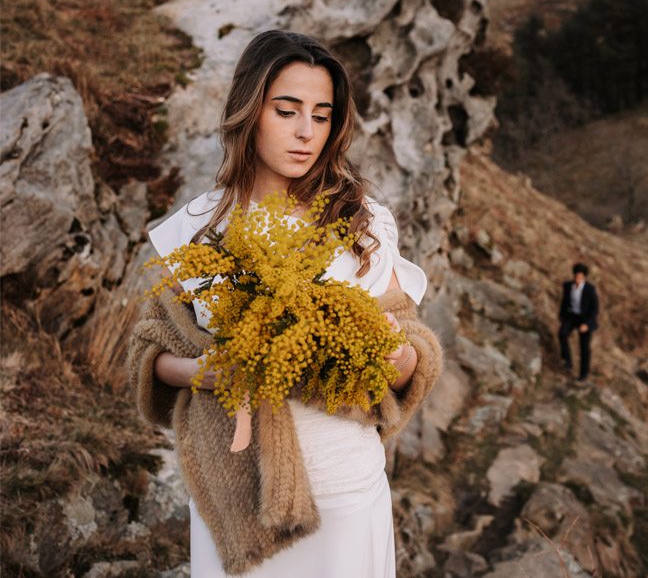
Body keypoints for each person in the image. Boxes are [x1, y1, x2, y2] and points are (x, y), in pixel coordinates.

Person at [126, 30, 443, 577]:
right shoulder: (197, 232)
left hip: (345, 491)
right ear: (250, 111)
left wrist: (401, 359)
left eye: (321, 116)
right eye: (287, 110)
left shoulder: (359, 223)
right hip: (240, 504)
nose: (305, 133)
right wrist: (200, 372)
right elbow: (148, 351)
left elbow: (410, 339)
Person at [557, 262, 599, 381]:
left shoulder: (590, 290)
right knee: (562, 334)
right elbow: (564, 301)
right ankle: (567, 361)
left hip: (585, 319)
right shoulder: (567, 286)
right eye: (576, 276)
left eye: (580, 277)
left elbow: (595, 309)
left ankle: (583, 374)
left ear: (584, 277)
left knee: (584, 348)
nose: (577, 279)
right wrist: (561, 315)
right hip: (571, 316)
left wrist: (587, 324)